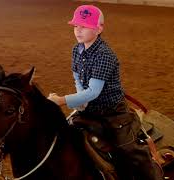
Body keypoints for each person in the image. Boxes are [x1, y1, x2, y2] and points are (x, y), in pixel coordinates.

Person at [47, 4, 163, 180]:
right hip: (89, 110)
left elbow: (93, 91)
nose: (78, 30)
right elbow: (78, 80)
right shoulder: (76, 50)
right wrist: (81, 102)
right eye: (76, 26)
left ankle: (155, 175)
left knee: (129, 150)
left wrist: (61, 100)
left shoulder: (104, 55)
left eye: (84, 26)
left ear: (99, 28)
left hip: (112, 113)